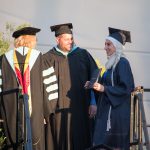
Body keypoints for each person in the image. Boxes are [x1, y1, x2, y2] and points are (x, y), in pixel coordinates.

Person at [42, 23, 98, 150]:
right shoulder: (47, 58)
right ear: (58, 39)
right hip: (57, 111)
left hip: (81, 109)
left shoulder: (83, 55)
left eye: (71, 38)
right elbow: (42, 87)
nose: (70, 42)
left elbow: (94, 78)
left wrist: (93, 102)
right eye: (66, 39)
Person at [0, 27, 57, 150]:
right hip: (36, 113)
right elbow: (50, 89)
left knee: (13, 141)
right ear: (30, 41)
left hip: (11, 112)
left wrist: (2, 113)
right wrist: (46, 113)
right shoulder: (41, 58)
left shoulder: (3, 59)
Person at [85, 27, 135, 150]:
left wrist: (104, 89)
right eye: (105, 44)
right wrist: (93, 85)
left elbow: (126, 88)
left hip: (116, 115)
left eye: (109, 44)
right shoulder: (110, 65)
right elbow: (104, 87)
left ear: (117, 46)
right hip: (107, 112)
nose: (105, 47)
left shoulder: (122, 63)